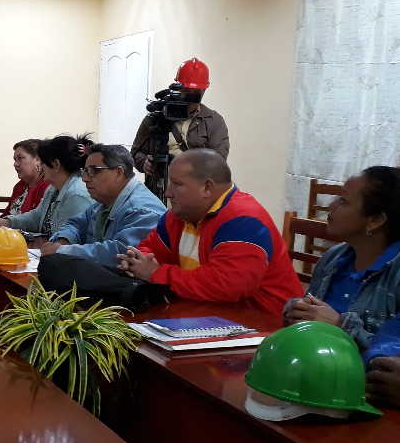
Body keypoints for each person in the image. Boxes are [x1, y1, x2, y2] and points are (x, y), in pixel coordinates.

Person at [117, 149, 302, 316]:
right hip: (205, 316)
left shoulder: (243, 220)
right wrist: (137, 263)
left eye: (177, 184)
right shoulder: (180, 214)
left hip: (263, 327)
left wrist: (156, 273)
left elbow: (227, 285)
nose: (168, 193)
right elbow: (149, 249)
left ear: (207, 187)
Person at [283, 167, 400, 399]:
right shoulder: (335, 258)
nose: (331, 206)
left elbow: (386, 362)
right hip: (316, 380)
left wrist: (340, 327)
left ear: (375, 220)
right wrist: (297, 313)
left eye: (344, 201)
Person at [41, 144, 165, 268]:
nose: (84, 179)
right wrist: (64, 240)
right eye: (84, 171)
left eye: (93, 171)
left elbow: (120, 254)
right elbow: (76, 224)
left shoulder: (143, 210)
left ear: (118, 172)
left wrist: (62, 251)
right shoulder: (102, 203)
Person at [130, 57, 230, 199]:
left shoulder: (213, 121)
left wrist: (187, 167)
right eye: (186, 91)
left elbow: (218, 163)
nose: (190, 97)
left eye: (195, 93)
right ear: (178, 87)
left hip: (196, 195)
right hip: (159, 192)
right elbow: (135, 153)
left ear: (203, 91)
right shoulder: (158, 117)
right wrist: (144, 162)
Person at [0, 135, 94, 237]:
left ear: (56, 165)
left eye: (43, 162)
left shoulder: (76, 194)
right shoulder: (53, 189)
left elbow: (68, 240)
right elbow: (37, 217)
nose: (41, 166)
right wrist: (8, 222)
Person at [2, 139, 49, 217]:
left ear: (38, 160)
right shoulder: (19, 186)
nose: (15, 164)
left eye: (20, 158)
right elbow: (6, 215)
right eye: (15, 160)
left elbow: (37, 222)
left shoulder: (48, 187)